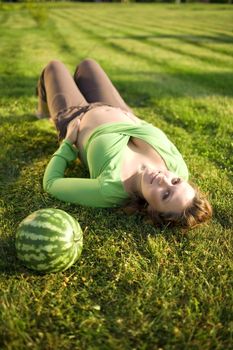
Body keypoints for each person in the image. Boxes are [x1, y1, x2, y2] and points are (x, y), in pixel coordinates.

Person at [37, 58, 212, 229]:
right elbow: (150, 130)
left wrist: (67, 143)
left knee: (54, 67)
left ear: (152, 210)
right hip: (117, 108)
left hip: (75, 117)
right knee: (87, 65)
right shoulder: (178, 168)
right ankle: (46, 107)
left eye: (165, 195)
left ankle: (43, 110)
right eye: (175, 181)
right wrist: (133, 118)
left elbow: (51, 184)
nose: (164, 180)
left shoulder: (110, 190)